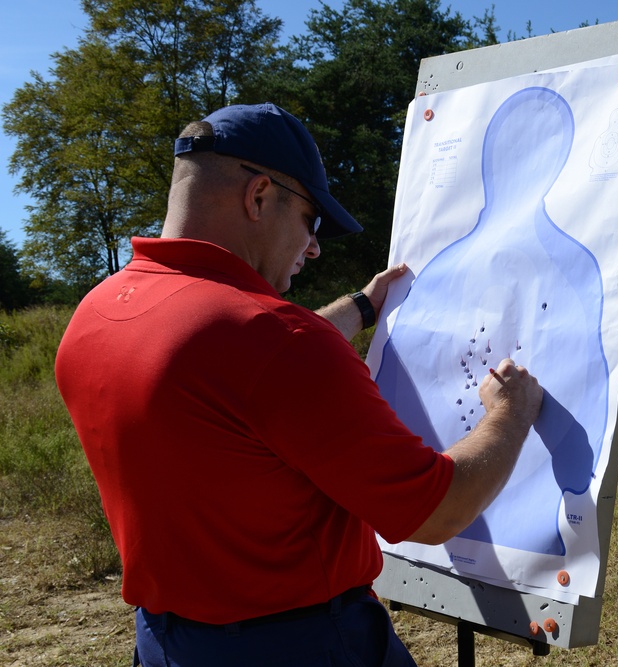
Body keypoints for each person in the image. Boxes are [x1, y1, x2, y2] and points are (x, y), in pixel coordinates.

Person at [54, 102, 544, 666]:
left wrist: (362, 306)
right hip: (303, 644)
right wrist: (510, 413)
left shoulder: (96, 315)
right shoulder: (272, 341)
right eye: (311, 220)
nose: (313, 247)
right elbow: (437, 512)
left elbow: (236, 371)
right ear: (258, 195)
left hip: (168, 643)